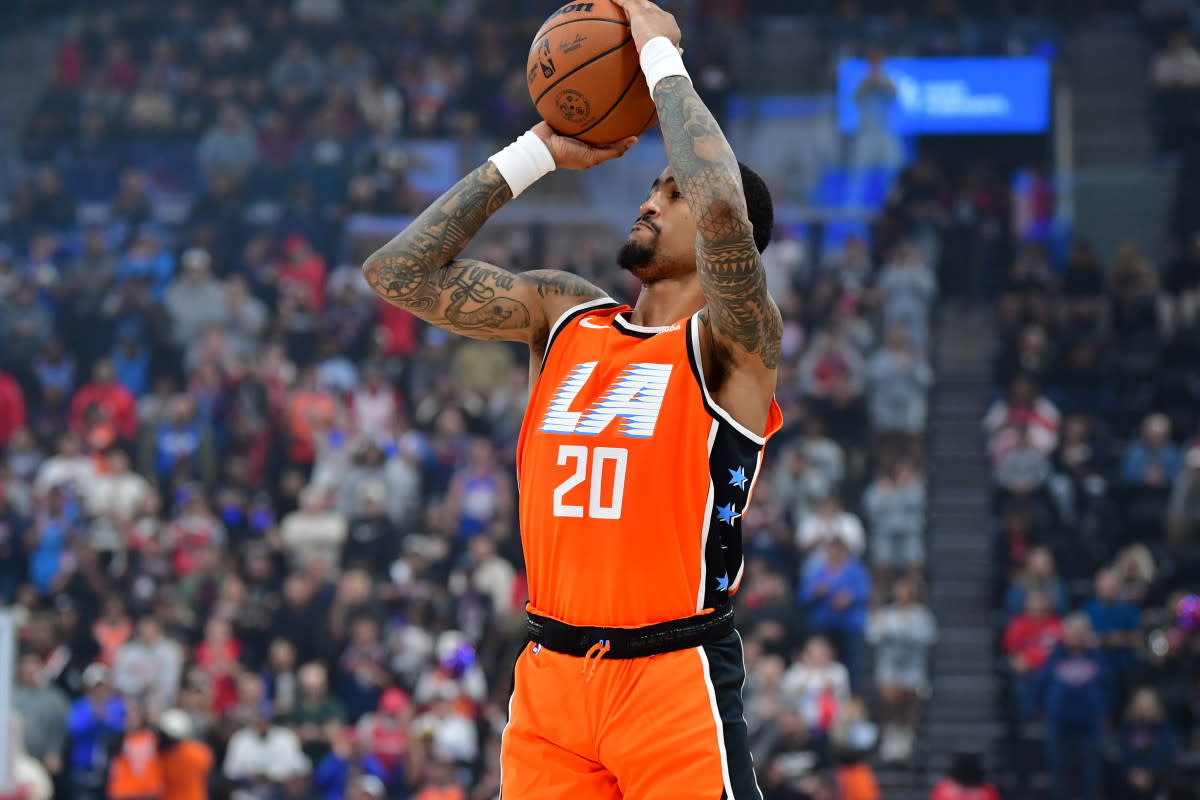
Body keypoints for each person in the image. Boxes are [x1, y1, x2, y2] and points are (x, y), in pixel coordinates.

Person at [360, 2, 781, 796]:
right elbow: (397, 274)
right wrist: (535, 154)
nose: (650, 201)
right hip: (551, 678)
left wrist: (661, 65)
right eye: (652, 188)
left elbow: (722, 203)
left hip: (671, 674)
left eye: (672, 192)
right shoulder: (565, 315)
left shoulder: (735, 346)